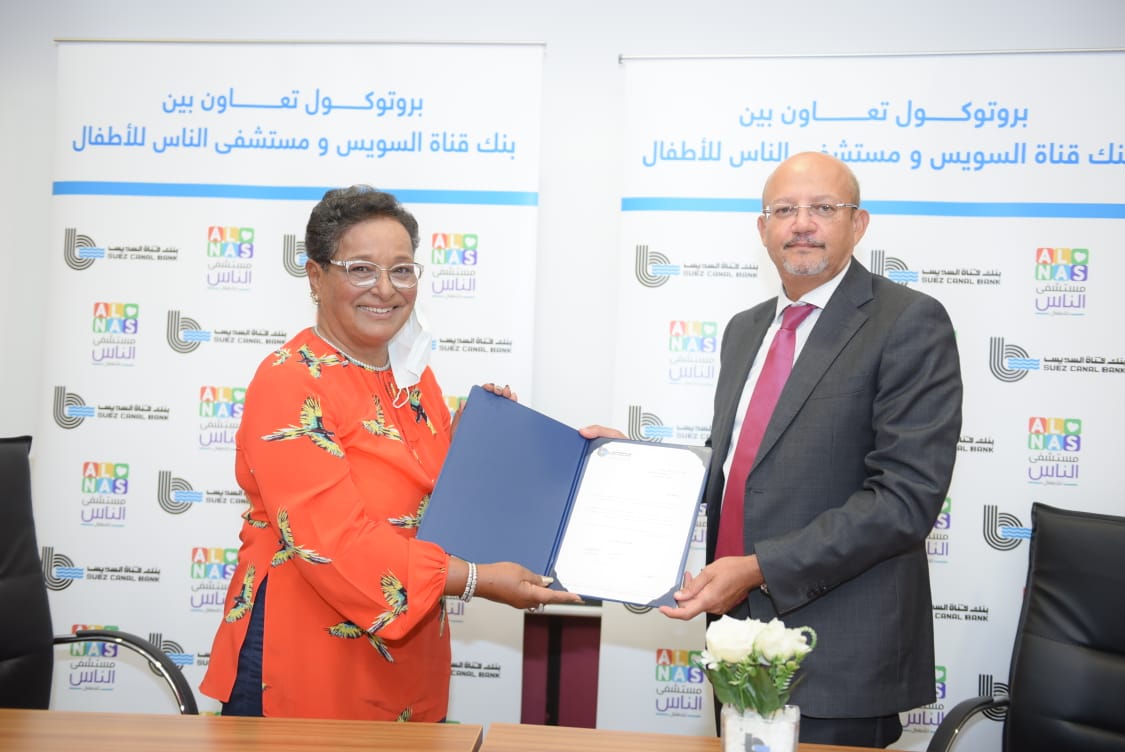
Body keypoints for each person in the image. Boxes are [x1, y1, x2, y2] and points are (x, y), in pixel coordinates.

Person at [585, 152, 962, 747]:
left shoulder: (908, 321)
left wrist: (759, 568)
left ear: (859, 223)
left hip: (839, 654)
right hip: (735, 642)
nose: (801, 223)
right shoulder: (745, 329)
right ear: (763, 229)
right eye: (784, 210)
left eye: (823, 208)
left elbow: (904, 500)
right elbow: (739, 464)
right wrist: (633, 463)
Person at [200, 186, 582, 721]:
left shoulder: (414, 378)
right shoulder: (290, 381)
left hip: (407, 652)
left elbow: (436, 505)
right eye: (361, 269)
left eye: (402, 270)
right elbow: (333, 542)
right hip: (307, 652)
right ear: (315, 277)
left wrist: (486, 450)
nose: (385, 289)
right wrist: (477, 579)